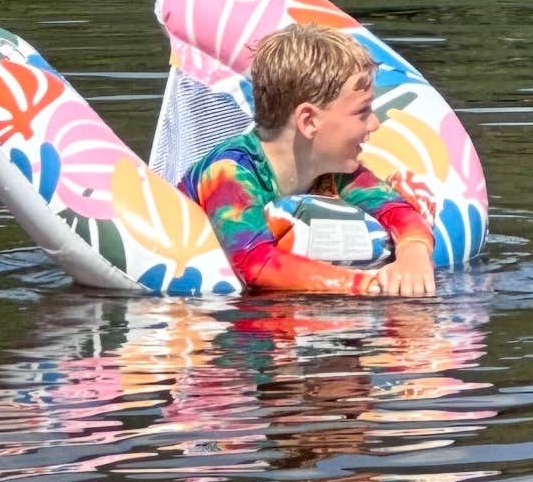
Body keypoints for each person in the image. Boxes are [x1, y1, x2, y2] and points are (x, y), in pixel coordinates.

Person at [179, 22, 437, 300]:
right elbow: (257, 263)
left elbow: (396, 210)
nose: (374, 123)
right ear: (309, 120)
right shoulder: (229, 173)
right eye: (362, 112)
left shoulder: (334, 171)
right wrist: (367, 285)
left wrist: (413, 253)